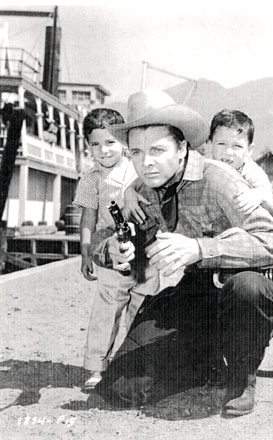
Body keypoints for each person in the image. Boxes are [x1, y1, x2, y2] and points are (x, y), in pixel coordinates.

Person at [88, 89, 273, 417]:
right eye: (136, 152)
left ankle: (241, 378)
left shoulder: (218, 179)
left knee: (249, 289)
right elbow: (103, 237)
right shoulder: (140, 191)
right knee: (119, 391)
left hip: (242, 290)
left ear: (181, 149)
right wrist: (109, 249)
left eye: (157, 150)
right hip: (194, 294)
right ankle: (202, 362)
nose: (146, 162)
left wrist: (200, 248)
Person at [206, 109, 273, 383]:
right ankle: (217, 360)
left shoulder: (253, 174)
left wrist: (259, 197)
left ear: (249, 150)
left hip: (258, 246)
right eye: (221, 144)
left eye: (237, 146)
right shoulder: (206, 165)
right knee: (214, 296)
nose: (228, 152)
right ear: (209, 144)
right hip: (223, 247)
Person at [73, 108, 158, 391]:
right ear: (87, 146)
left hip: (146, 246)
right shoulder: (91, 179)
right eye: (95, 144)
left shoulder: (139, 167)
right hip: (111, 250)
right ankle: (97, 366)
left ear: (122, 141)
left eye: (110, 142)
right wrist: (86, 252)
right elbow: (88, 218)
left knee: (143, 307)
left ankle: (138, 364)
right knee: (107, 310)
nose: (103, 150)